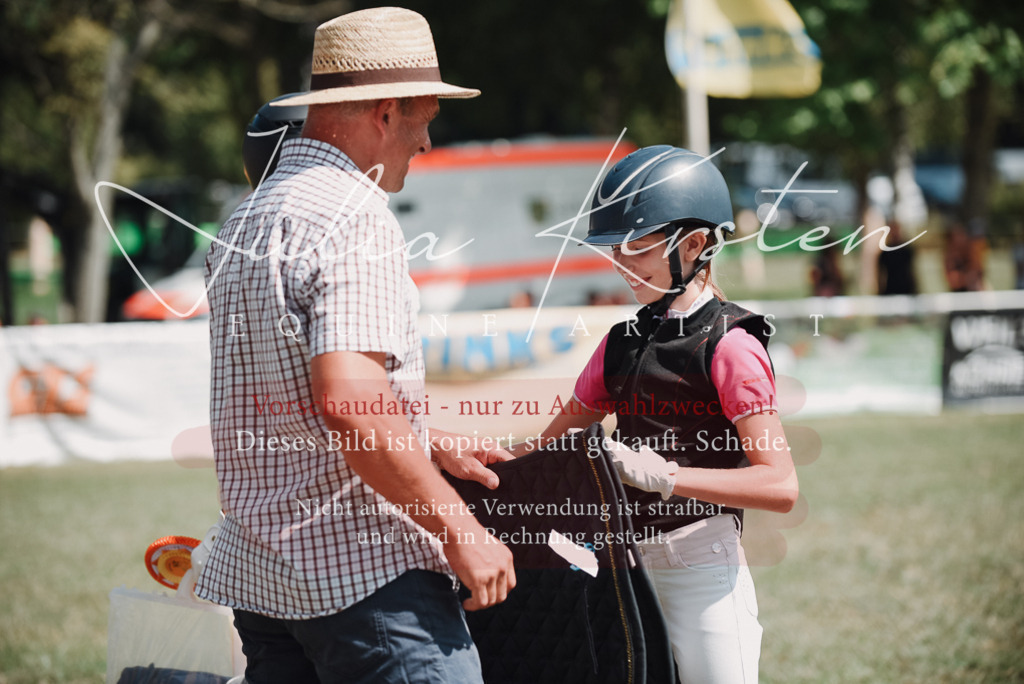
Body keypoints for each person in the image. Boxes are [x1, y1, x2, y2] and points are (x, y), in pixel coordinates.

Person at [194, 8, 515, 683]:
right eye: (426, 116)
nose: (427, 141)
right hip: (367, 579)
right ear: (386, 112)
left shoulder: (243, 218)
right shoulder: (355, 215)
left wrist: (421, 439)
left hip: (265, 577)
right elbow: (350, 405)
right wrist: (461, 528)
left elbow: (292, 404)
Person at [514, 146, 798, 683]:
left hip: (703, 566)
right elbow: (546, 448)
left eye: (636, 250)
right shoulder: (620, 344)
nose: (620, 266)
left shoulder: (732, 344)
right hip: (624, 569)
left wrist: (665, 477)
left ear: (693, 245)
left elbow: (781, 485)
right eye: (613, 251)